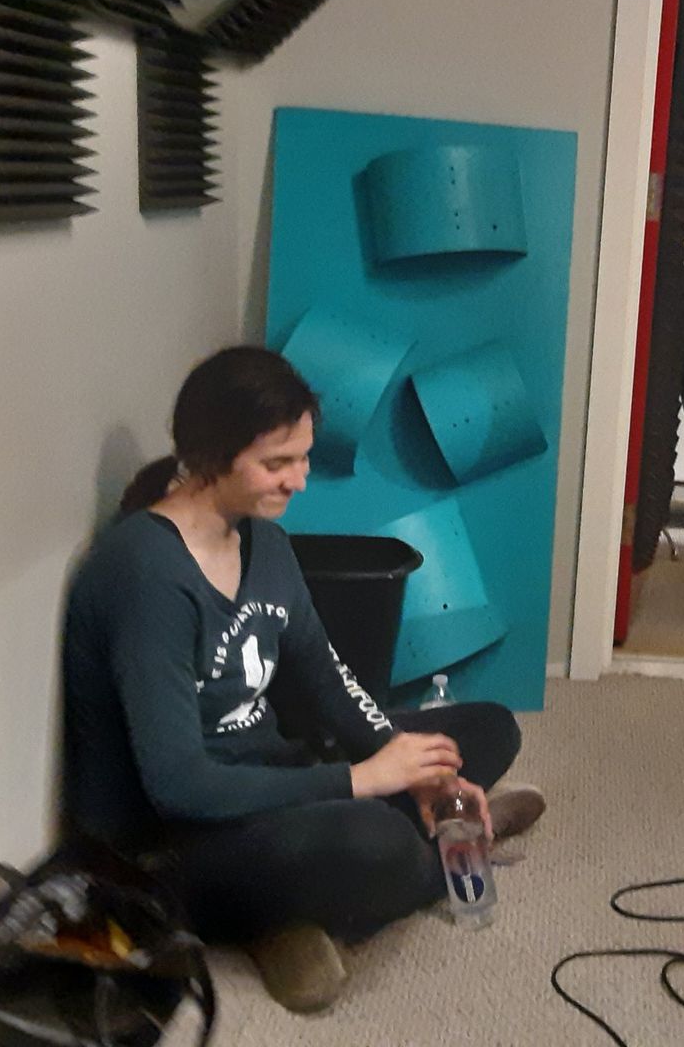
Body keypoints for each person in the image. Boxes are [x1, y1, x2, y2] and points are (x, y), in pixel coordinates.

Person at [62, 345, 546, 1013]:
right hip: (174, 846)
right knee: (373, 841)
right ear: (210, 455)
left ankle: (322, 899)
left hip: (270, 778)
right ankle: (426, 865)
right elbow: (177, 785)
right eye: (277, 464)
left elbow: (327, 680)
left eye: (304, 457)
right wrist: (360, 780)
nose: (299, 481)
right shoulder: (145, 575)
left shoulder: (263, 542)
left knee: (485, 730)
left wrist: (412, 768)